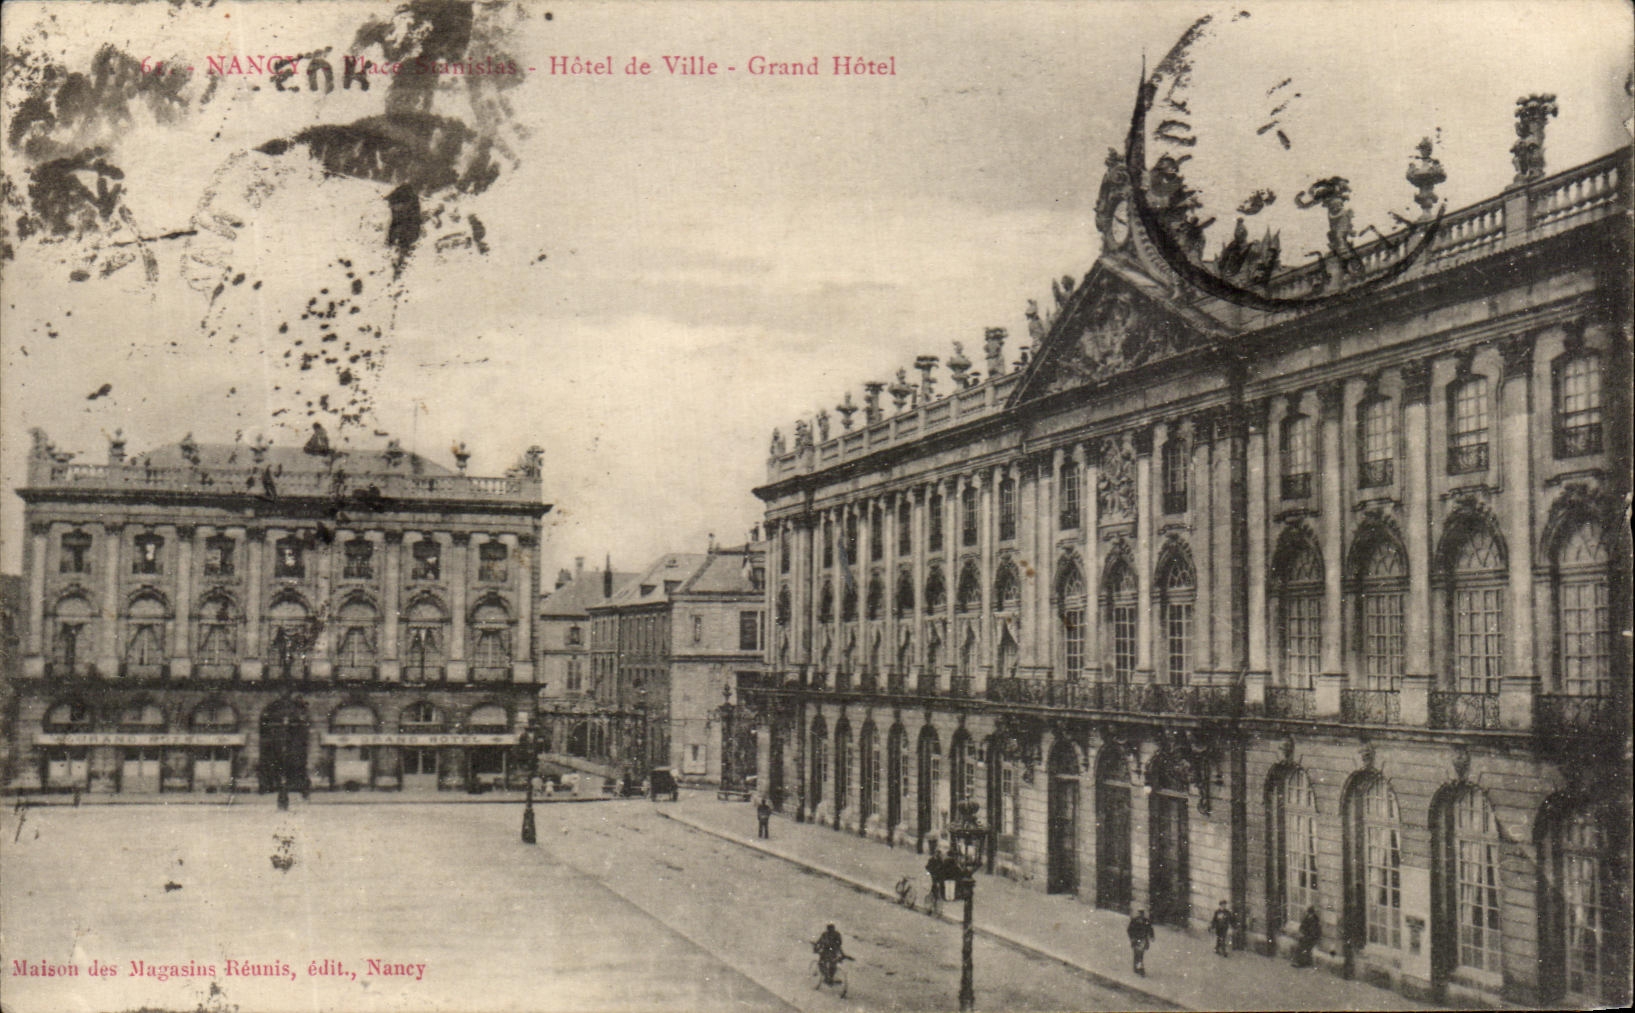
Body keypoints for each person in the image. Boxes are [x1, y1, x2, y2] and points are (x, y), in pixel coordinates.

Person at [1127, 909, 1155, 975]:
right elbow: (1129, 930)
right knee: (1137, 954)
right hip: (1136, 939)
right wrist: (1132, 937)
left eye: (1142, 914)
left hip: (1143, 939)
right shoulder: (1134, 921)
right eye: (1140, 914)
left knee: (1140, 954)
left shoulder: (1146, 921)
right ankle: (1137, 968)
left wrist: (1152, 936)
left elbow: (1150, 929)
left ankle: (1138, 968)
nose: (1141, 915)